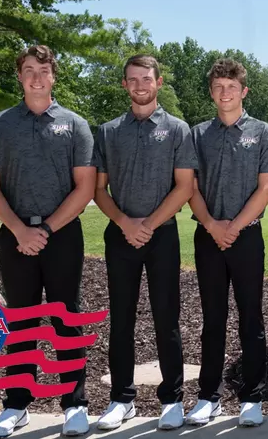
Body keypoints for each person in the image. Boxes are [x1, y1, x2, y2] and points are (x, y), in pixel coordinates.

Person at [0, 45, 96, 437]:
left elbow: (85, 188)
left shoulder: (75, 125)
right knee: (21, 319)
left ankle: (74, 404)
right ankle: (16, 405)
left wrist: (44, 231)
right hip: (15, 234)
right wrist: (19, 230)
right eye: (28, 70)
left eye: (43, 70)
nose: (36, 77)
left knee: (66, 317)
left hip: (61, 235)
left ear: (53, 76)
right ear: (19, 76)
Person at [91, 55, 197, 431]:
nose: (140, 85)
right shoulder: (107, 131)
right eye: (133, 79)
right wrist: (124, 222)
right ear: (124, 85)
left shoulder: (178, 129)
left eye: (146, 79)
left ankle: (172, 400)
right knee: (121, 320)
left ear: (159, 82)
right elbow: (98, 189)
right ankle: (122, 399)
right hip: (120, 235)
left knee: (167, 319)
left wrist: (148, 224)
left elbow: (185, 186)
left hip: (162, 236)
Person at [186, 58, 268, 427]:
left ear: (244, 91)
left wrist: (234, 227)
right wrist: (211, 224)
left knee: (251, 317)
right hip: (208, 235)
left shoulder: (264, 132)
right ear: (211, 92)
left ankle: (251, 396)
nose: (225, 93)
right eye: (218, 87)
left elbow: (266, 186)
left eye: (231, 87)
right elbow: (189, 185)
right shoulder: (197, 134)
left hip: (247, 236)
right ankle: (208, 395)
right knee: (212, 318)